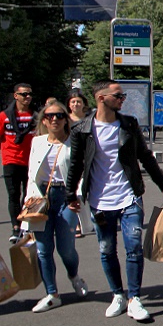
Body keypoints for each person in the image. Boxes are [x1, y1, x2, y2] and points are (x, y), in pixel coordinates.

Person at [65, 80, 163, 322]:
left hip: (129, 195)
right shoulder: (82, 129)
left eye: (123, 95)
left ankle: (134, 298)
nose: (122, 98)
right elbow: (76, 165)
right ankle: (118, 295)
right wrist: (70, 195)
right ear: (101, 98)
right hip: (99, 200)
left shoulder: (128, 124)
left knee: (133, 246)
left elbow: (145, 157)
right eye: (118, 95)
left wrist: (162, 183)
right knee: (106, 249)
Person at [21, 99, 89, 313]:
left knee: (66, 248)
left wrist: (77, 197)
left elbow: (82, 171)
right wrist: (29, 200)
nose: (54, 120)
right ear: (44, 120)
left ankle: (74, 276)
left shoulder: (74, 142)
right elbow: (32, 174)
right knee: (43, 249)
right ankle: (52, 294)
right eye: (50, 116)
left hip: (66, 197)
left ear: (66, 119)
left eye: (59, 115)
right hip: (42, 198)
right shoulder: (38, 142)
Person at [0, 84, 37, 243]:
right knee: (13, 195)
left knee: (29, 195)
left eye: (29, 94)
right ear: (16, 96)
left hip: (31, 160)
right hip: (11, 160)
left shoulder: (35, 116)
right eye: (24, 94)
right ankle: (15, 227)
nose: (27, 97)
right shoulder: (4, 116)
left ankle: (24, 224)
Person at [66, 90, 90, 238]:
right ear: (69, 104)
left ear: (83, 104)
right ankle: (75, 223)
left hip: (86, 158)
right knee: (72, 190)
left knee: (82, 191)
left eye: (78, 102)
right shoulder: (64, 120)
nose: (76, 104)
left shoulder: (90, 119)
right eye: (73, 102)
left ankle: (84, 221)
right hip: (69, 158)